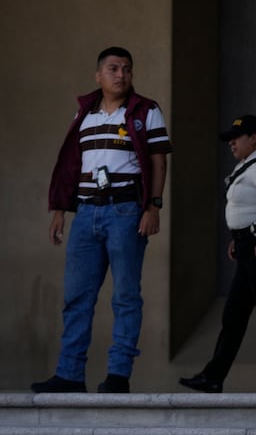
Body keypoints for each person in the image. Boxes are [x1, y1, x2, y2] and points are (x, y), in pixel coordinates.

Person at [32, 46, 172, 394]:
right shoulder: (84, 114)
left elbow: (158, 160)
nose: (121, 74)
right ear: (98, 75)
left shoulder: (145, 110)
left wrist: (153, 206)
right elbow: (69, 165)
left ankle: (118, 375)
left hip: (126, 211)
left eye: (127, 69)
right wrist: (59, 211)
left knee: (125, 296)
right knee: (77, 296)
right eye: (113, 68)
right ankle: (69, 375)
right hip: (85, 213)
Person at [179, 114, 256, 394]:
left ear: (253, 138)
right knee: (234, 315)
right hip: (249, 244)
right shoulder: (247, 166)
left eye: (237, 137)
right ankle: (213, 376)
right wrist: (238, 238)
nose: (231, 143)